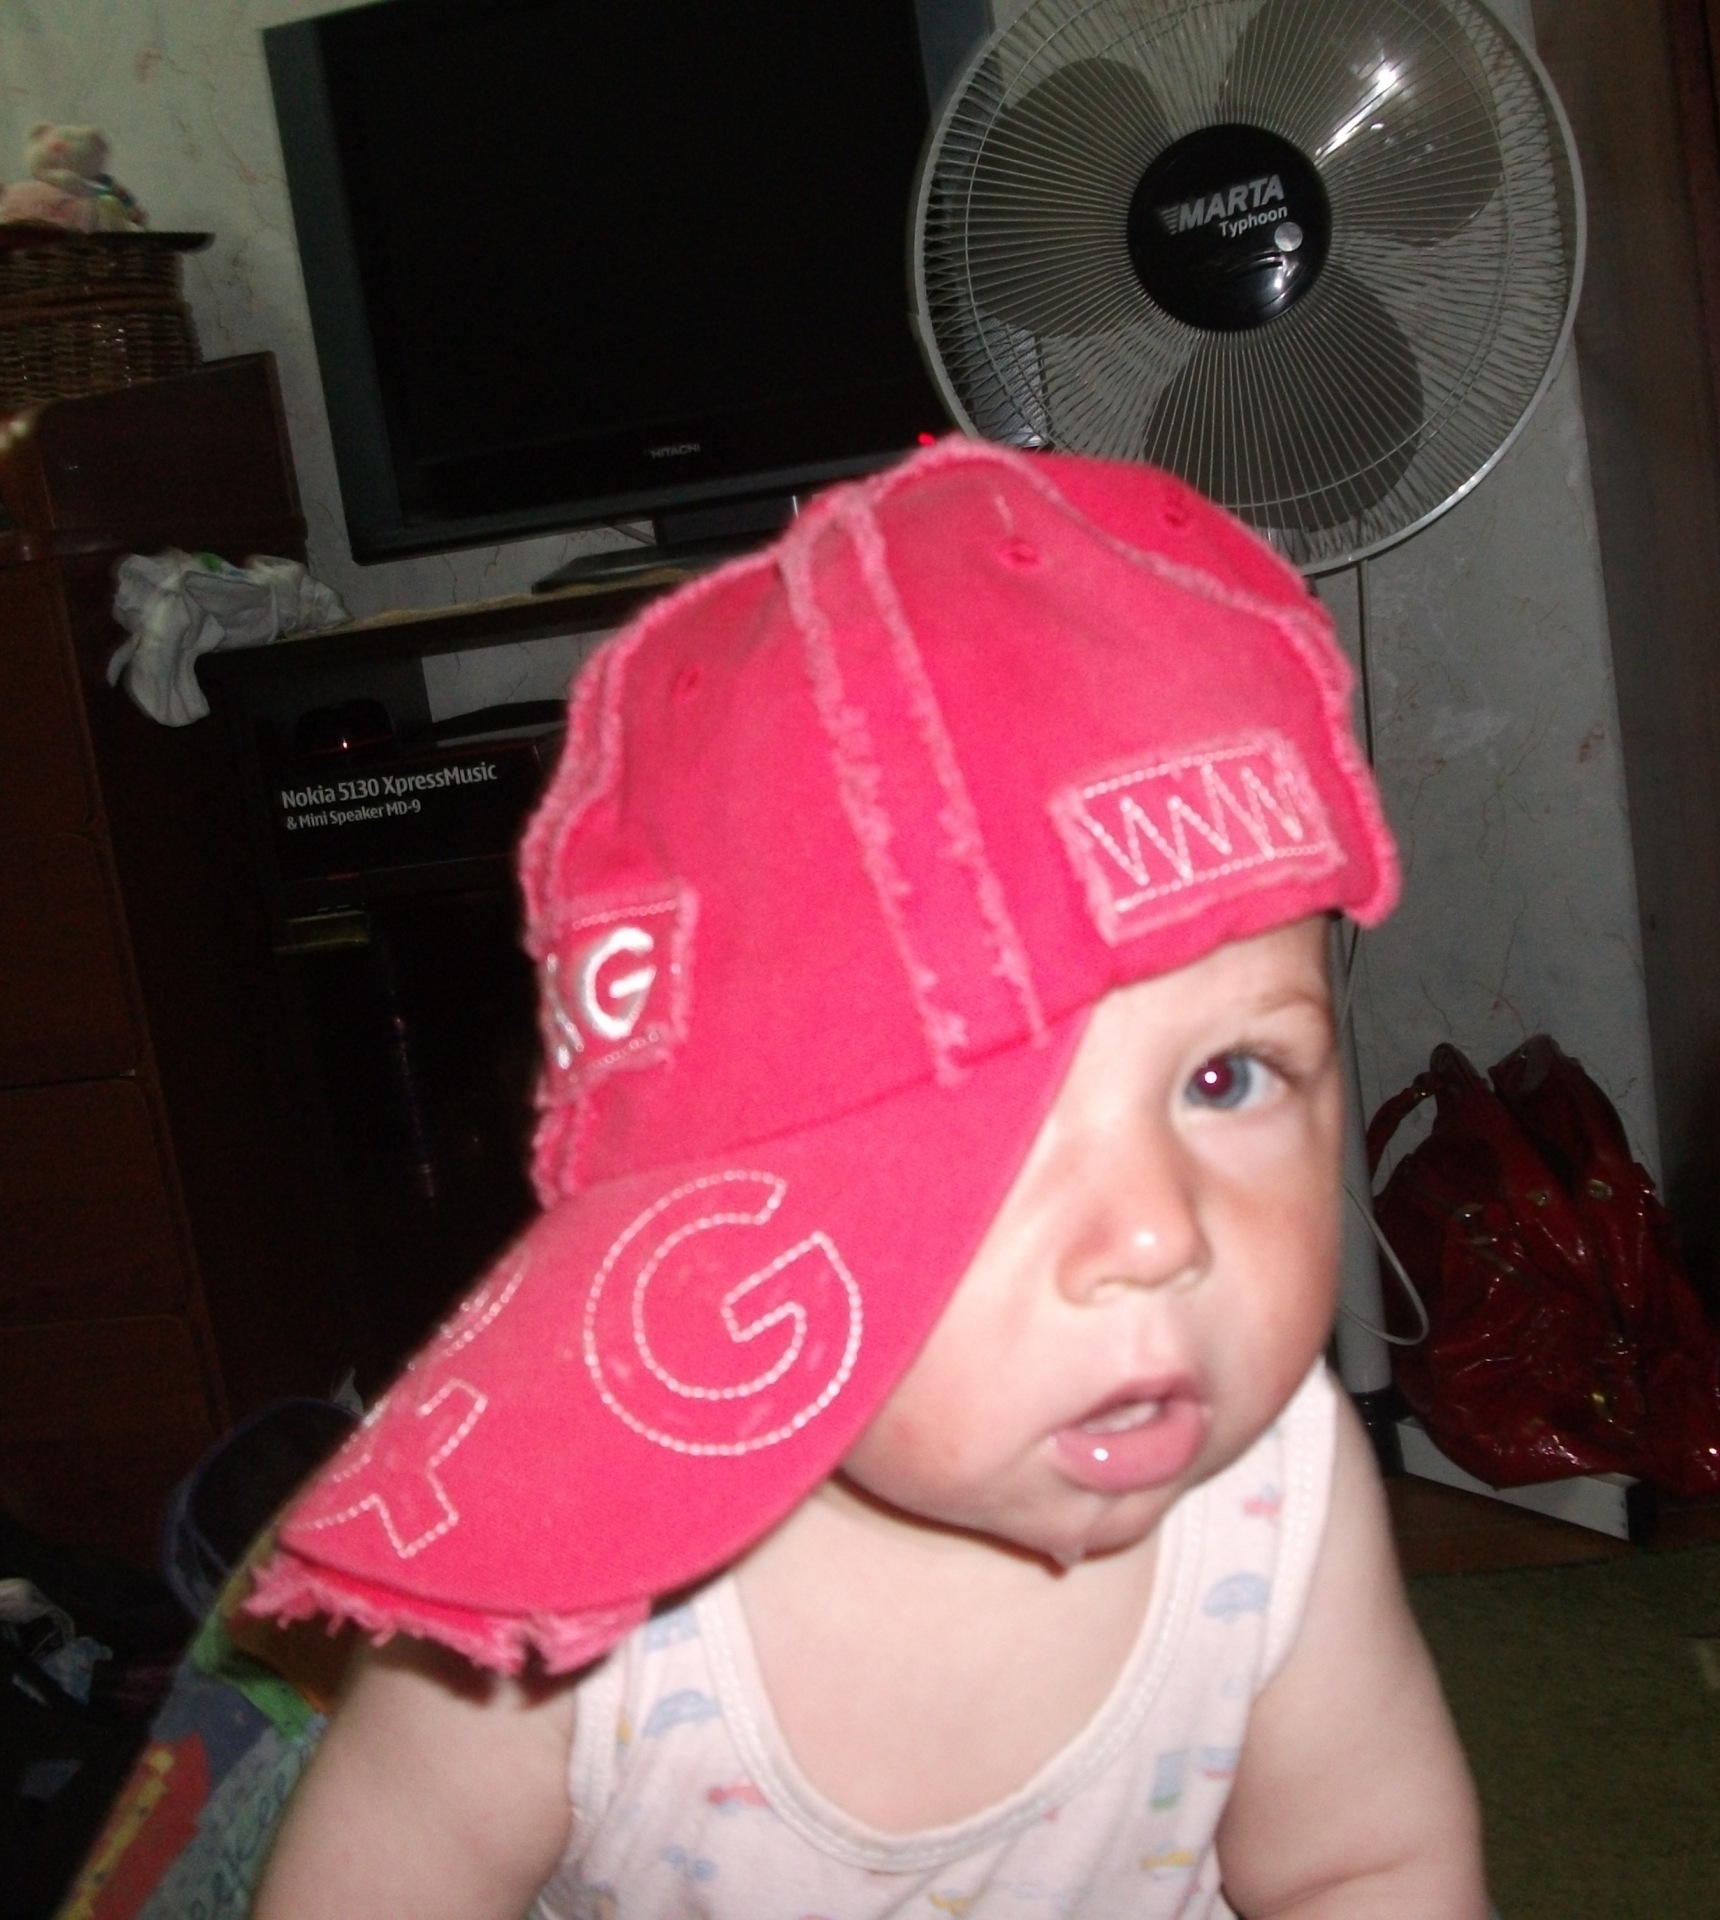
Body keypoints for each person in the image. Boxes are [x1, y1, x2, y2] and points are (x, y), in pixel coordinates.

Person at [245, 437, 1489, 1919]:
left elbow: (1365, 1861)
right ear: (710, 1230)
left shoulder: (1281, 1491)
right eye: (991, 1136)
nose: (1161, 1237)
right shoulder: (566, 1578)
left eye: (1227, 1079)